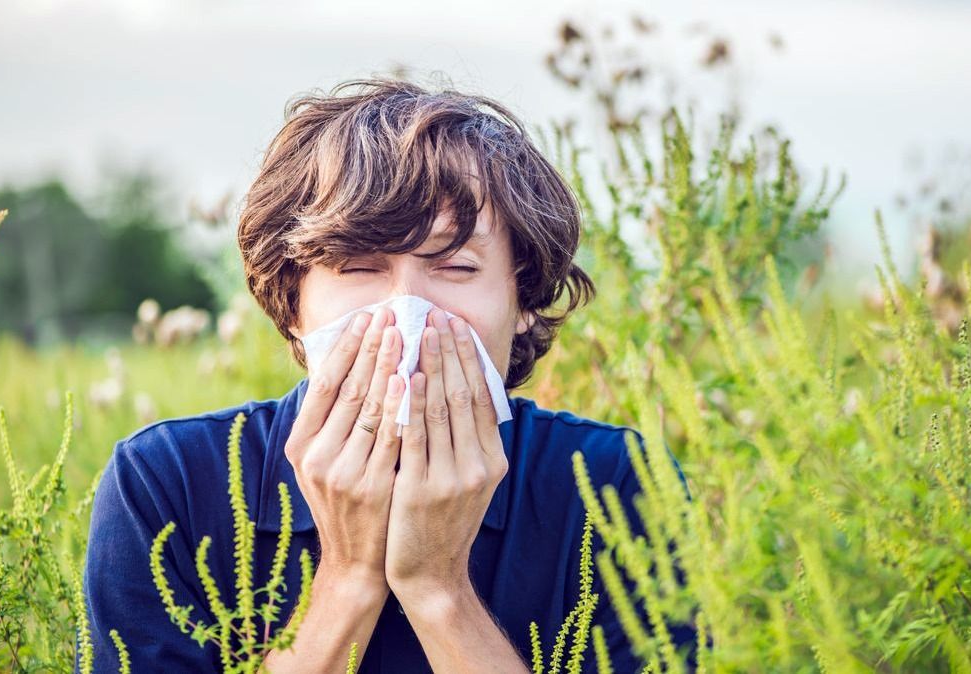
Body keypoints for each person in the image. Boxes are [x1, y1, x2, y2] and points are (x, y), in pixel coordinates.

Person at [77, 76, 696, 673]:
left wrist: (438, 590)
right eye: (358, 267)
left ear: (523, 300)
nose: (407, 315)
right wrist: (348, 577)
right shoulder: (167, 486)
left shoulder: (615, 487)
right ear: (292, 304)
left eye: (454, 267)